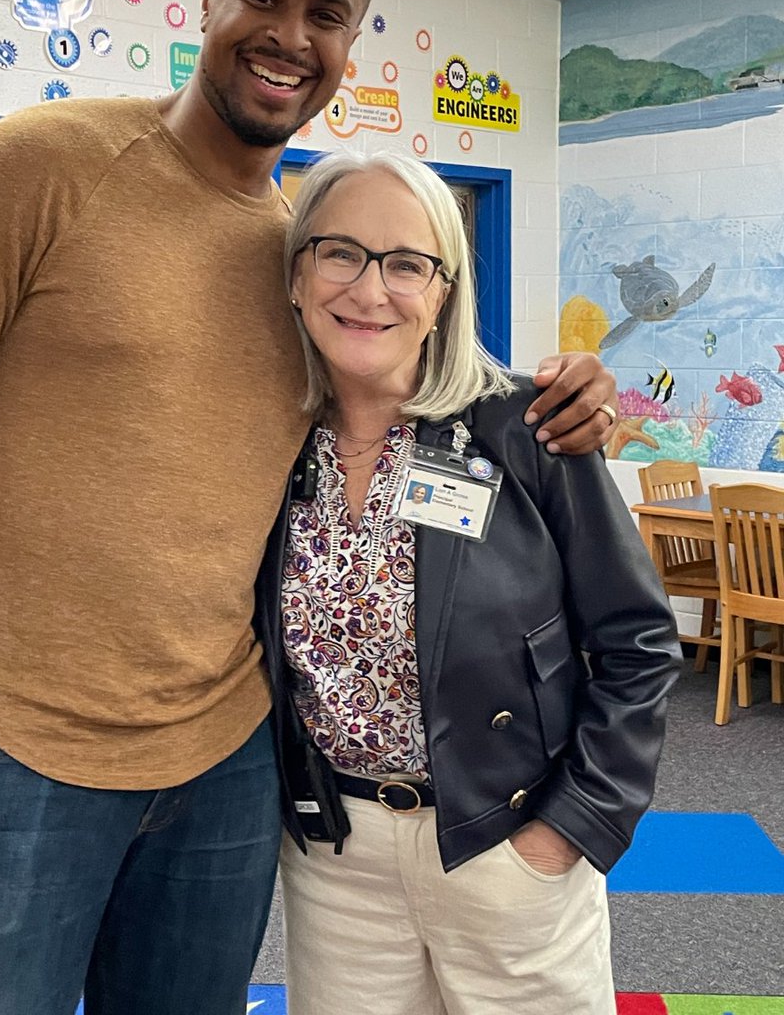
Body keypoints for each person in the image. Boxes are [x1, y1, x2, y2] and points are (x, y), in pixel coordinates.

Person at [0, 0, 618, 1015]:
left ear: (350, 42)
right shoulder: (37, 168)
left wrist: (563, 393)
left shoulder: (304, 263)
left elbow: (415, 376)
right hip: (1, 754)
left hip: (225, 774)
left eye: (326, 14)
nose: (289, 35)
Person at [255, 150, 681, 1015]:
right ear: (298, 276)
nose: (370, 290)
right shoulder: (263, 440)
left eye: (407, 264)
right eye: (340, 253)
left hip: (507, 845)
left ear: (443, 292)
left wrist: (569, 831)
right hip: (335, 861)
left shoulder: (527, 427)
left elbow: (637, 641)